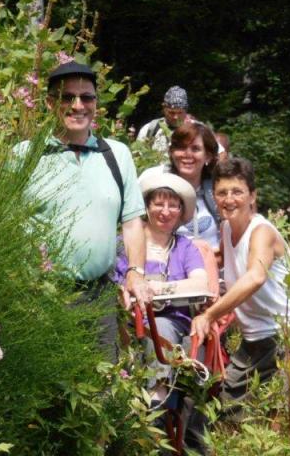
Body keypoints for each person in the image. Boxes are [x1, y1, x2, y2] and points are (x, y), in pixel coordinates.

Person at [12, 61, 152, 362]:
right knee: (46, 396)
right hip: (42, 296)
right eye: (67, 97)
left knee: (101, 390)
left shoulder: (117, 155)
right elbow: (5, 225)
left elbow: (131, 222)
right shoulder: (25, 156)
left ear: (95, 104)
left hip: (99, 296)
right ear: (50, 103)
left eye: (86, 97)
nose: (78, 105)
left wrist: (136, 273)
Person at [190, 157, 290, 402]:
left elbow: (255, 276)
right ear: (214, 197)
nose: (229, 199)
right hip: (254, 341)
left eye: (237, 192)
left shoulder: (261, 232)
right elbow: (221, 259)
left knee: (282, 419)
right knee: (224, 407)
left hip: (289, 337)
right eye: (222, 193)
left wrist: (209, 315)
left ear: (252, 196)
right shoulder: (226, 227)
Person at [112, 172, 208, 404]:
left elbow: (200, 282)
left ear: (180, 212)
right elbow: (113, 281)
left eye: (172, 206)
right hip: (128, 321)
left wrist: (159, 287)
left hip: (170, 322)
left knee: (162, 327)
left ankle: (157, 393)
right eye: (158, 204)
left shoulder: (185, 247)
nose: (165, 211)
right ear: (146, 207)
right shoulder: (123, 244)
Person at [139, 122, 221, 252]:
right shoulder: (153, 178)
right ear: (171, 152)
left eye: (195, 149)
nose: (187, 154)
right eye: (181, 148)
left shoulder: (218, 187)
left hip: (211, 264)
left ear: (208, 156)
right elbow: (133, 221)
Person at [136, 85, 192, 154]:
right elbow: (137, 157)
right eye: (171, 112)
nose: (176, 117)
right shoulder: (149, 129)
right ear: (164, 109)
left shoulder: (196, 130)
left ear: (186, 110)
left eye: (180, 113)